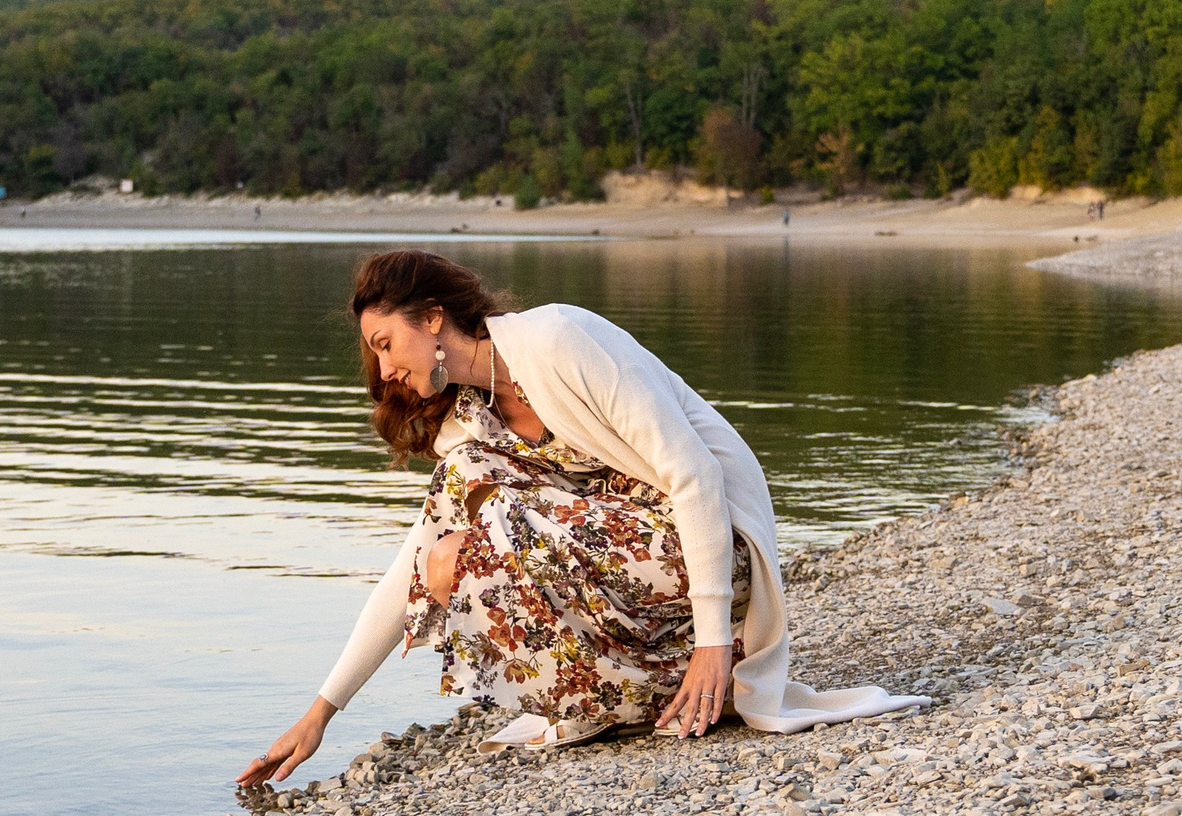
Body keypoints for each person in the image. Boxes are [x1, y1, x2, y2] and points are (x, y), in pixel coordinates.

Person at [239, 251, 926, 786]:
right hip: (624, 580)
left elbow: (695, 474)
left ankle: (700, 666)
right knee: (443, 549)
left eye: (386, 343)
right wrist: (321, 713)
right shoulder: (468, 429)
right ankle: (630, 695)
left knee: (485, 519)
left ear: (434, 318)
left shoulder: (558, 340)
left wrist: (718, 640)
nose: (382, 368)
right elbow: (407, 574)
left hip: (710, 551)